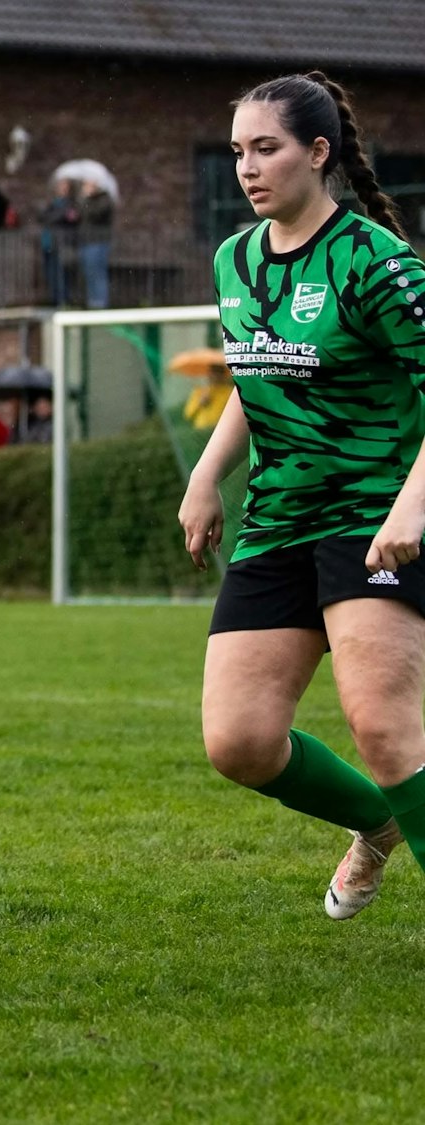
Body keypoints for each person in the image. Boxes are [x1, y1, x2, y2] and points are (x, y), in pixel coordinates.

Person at [178, 72, 425, 922]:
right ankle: (377, 821)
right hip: (279, 519)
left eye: (267, 149)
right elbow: (264, 374)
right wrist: (208, 474)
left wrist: (412, 508)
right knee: (239, 742)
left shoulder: (377, 262)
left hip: (375, 515)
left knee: (385, 729)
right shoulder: (234, 260)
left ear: (319, 154)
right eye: (239, 152)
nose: (248, 168)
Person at [39, 178, 80, 307]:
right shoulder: (52, 203)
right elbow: (43, 218)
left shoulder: (71, 204)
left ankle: (63, 300)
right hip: (49, 243)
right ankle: (55, 298)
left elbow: (68, 218)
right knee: (51, 272)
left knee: (62, 273)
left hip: (62, 243)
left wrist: (56, 216)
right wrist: (60, 215)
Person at [79, 181, 114, 310]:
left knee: (98, 272)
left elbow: (94, 214)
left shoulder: (104, 200)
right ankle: (92, 302)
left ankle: (100, 303)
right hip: (87, 241)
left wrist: (87, 198)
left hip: (98, 241)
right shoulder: (87, 201)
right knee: (89, 273)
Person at [182, 360, 233, 430]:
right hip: (201, 431)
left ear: (223, 375)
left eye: (218, 372)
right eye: (212, 372)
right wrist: (200, 403)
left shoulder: (229, 392)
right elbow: (188, 414)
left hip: (221, 429)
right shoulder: (199, 391)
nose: (215, 376)